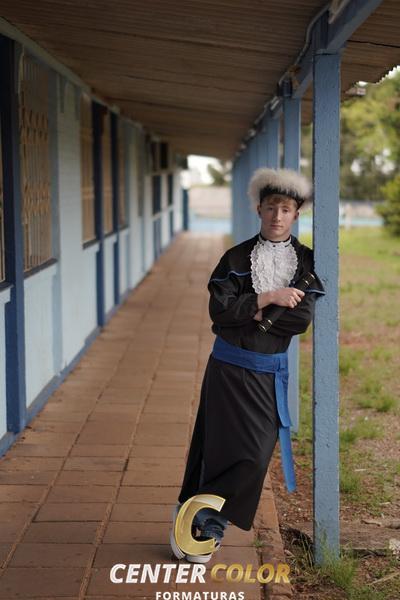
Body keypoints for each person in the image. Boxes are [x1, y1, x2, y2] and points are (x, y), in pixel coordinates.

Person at [170, 167, 325, 564]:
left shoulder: (306, 262)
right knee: (217, 449)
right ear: (259, 209)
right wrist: (268, 298)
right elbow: (219, 311)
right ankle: (206, 525)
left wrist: (247, 312)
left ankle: (200, 513)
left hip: (268, 373)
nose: (277, 216)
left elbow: (299, 320)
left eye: (286, 209)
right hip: (227, 368)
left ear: (296, 214)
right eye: (271, 207)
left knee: (255, 455)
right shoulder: (235, 258)